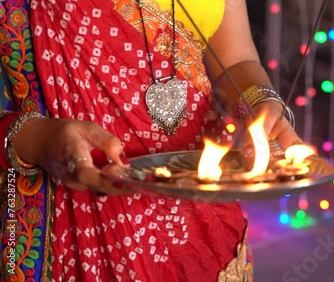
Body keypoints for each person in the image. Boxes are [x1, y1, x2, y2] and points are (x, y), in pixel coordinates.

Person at [0, 0, 301, 281]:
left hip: (202, 217)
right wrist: (37, 140)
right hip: (60, 218)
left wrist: (260, 101)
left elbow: (235, 60)